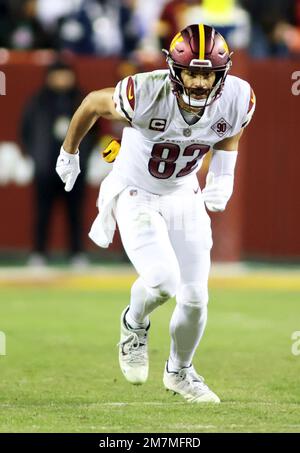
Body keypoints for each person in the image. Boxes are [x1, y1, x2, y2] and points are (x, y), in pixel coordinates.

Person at [56, 24, 255, 403]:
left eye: (207, 73)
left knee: (196, 299)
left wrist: (223, 172)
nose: (199, 82)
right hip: (137, 193)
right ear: (173, 70)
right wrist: (70, 151)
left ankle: (180, 372)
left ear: (222, 72)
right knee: (163, 281)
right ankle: (134, 324)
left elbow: (231, 129)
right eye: (192, 72)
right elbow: (92, 104)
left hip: (184, 195)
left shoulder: (238, 97)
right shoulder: (145, 91)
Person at [21, 60, 96, 266]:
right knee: (43, 212)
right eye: (58, 74)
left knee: (76, 213)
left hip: (75, 169)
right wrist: (37, 157)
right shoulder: (37, 101)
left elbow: (94, 133)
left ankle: (77, 253)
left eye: (66, 74)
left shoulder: (82, 101)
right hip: (46, 168)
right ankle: (39, 253)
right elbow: (26, 131)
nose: (62, 79)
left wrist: (84, 156)